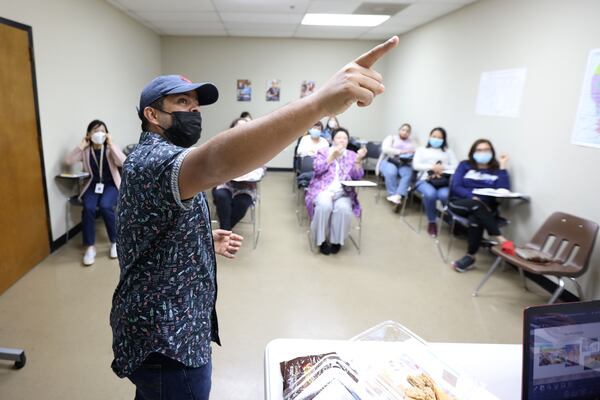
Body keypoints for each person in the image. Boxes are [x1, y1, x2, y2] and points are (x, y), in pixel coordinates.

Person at [110, 36, 399, 399]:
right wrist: (317, 104)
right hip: (167, 338)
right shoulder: (155, 160)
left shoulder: (157, 156)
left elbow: (158, 220)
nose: (194, 110)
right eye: (182, 102)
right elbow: (217, 161)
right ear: (152, 115)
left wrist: (198, 237)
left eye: (196, 104)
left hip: (163, 327)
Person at [65, 119, 125, 266]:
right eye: (95, 130)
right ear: (89, 134)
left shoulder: (111, 148)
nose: (99, 133)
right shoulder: (85, 151)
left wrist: (111, 143)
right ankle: (90, 247)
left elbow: (123, 162)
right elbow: (68, 161)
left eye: (102, 130)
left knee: (105, 206)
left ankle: (115, 242)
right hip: (92, 185)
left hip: (110, 185)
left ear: (107, 134)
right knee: (89, 208)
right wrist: (81, 145)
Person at [448, 139, 514, 272]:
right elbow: (456, 186)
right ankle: (501, 239)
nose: (483, 152)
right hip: (460, 203)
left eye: (486, 150)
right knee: (476, 205)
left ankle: (470, 257)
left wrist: (502, 166)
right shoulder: (465, 165)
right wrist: (472, 196)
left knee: (475, 219)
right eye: (479, 150)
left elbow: (503, 190)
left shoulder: (496, 170)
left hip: (486, 209)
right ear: (473, 152)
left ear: (492, 152)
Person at [305, 128, 367, 255]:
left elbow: (357, 176)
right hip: (323, 189)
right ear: (332, 140)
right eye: (339, 137)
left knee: (343, 209)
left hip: (343, 192)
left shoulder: (351, 155)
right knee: (324, 206)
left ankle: (336, 241)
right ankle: (320, 240)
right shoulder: (323, 152)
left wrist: (358, 160)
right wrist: (332, 156)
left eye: (345, 138)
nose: (342, 140)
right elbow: (317, 169)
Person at [213, 117, 265, 231]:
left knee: (241, 205)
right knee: (221, 197)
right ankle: (225, 232)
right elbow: (217, 165)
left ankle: (225, 231)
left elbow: (261, 168)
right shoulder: (224, 146)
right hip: (226, 183)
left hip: (247, 187)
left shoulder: (257, 147)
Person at [412, 127, 458, 237]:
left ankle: (453, 221)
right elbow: (416, 165)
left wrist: (442, 167)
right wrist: (432, 167)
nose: (436, 139)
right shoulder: (421, 149)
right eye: (434, 136)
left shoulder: (448, 151)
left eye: (440, 137)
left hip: (442, 181)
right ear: (430, 137)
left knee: (444, 195)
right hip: (424, 180)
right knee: (430, 194)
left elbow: (456, 166)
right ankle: (432, 222)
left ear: (444, 139)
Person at [379, 123, 416, 209]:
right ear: (399, 130)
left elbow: (416, 151)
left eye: (407, 131)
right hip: (390, 161)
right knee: (391, 172)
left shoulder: (412, 142)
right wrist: (401, 151)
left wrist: (412, 153)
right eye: (403, 130)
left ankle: (398, 196)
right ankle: (393, 196)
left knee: (408, 174)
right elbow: (385, 149)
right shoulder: (391, 138)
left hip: (405, 163)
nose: (405, 132)